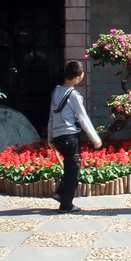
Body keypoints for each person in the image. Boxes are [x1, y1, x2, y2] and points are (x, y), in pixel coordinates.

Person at [47, 60, 102, 213]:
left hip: (58, 137)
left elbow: (52, 115)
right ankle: (66, 205)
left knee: (69, 168)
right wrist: (95, 138)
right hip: (71, 136)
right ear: (78, 77)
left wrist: (50, 137)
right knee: (73, 171)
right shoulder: (74, 95)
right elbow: (83, 118)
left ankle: (60, 192)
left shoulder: (56, 91)